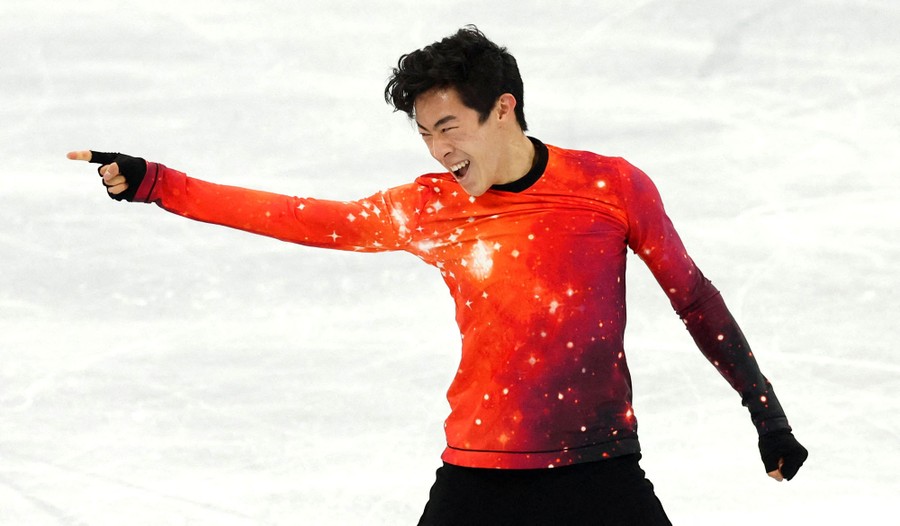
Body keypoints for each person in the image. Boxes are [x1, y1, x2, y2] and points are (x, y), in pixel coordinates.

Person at [68, 26, 807, 525]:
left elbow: (694, 298)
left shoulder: (609, 188)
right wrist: (157, 182)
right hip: (478, 479)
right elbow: (299, 216)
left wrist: (765, 413)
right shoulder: (428, 209)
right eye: (423, 133)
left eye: (448, 127)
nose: (436, 150)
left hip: (599, 470)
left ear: (504, 109)